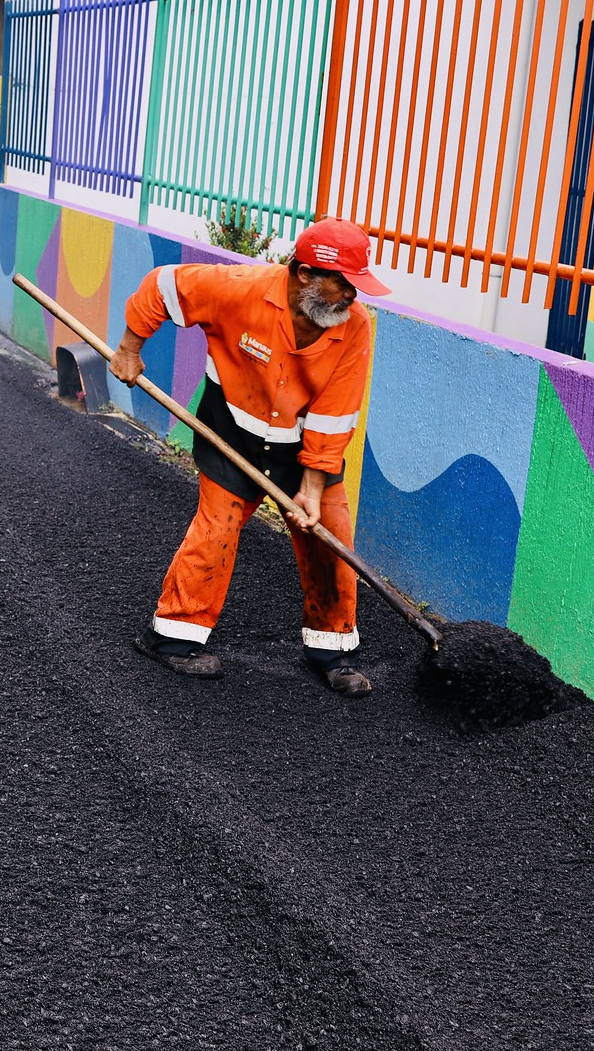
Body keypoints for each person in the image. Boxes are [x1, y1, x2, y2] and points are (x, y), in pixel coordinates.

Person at [108, 217, 386, 698]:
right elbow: (162, 286)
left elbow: (335, 413)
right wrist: (130, 349)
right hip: (230, 434)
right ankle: (172, 638)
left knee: (329, 534)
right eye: (342, 283)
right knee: (216, 530)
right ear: (304, 275)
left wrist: (312, 488)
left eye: (355, 286)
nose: (351, 296)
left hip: (301, 450)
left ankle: (331, 649)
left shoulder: (354, 328)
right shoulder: (237, 289)